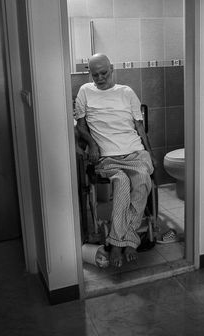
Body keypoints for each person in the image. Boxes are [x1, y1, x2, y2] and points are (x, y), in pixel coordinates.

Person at [74, 53, 155, 268]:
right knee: (122, 183)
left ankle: (120, 241)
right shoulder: (85, 91)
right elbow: (80, 126)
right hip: (107, 157)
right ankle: (125, 242)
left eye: (104, 73)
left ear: (112, 69)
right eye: (95, 75)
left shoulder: (126, 92)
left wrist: (150, 153)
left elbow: (139, 127)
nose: (100, 78)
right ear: (90, 73)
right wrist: (92, 144)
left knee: (142, 182)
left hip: (135, 153)